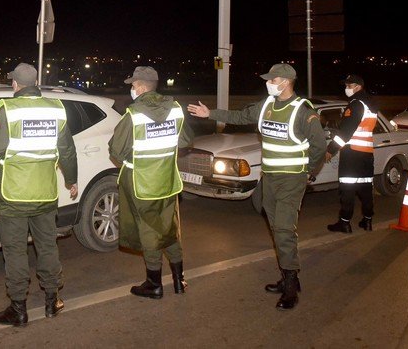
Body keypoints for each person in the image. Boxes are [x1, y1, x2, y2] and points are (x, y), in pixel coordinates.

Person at [187, 63, 326, 310]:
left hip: (291, 179)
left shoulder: (303, 111)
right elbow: (240, 116)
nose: (268, 83)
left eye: (272, 80)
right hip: (269, 178)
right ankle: (287, 275)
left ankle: (291, 284)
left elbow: (319, 146)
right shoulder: (267, 105)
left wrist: (307, 172)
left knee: (283, 228)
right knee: (275, 224)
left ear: (285, 82)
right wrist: (210, 114)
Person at [0, 62, 78, 327]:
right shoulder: (56, 109)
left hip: (14, 194)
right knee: (47, 246)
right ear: (36, 83)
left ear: (15, 84)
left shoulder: (6, 109)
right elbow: (67, 150)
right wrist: (72, 180)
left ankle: (18, 309)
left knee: (15, 251)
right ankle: (51, 301)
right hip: (45, 193)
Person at [109, 66, 193, 299]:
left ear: (142, 87)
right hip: (167, 180)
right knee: (170, 228)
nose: (132, 89)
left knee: (149, 231)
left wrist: (134, 158)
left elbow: (116, 149)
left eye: (133, 85)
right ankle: (179, 280)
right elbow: (186, 140)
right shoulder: (175, 109)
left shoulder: (134, 114)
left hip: (142, 182)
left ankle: (154, 284)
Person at [325, 74, 378, 234]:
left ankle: (344, 223)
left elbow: (345, 133)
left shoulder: (355, 104)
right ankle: (367, 221)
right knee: (366, 189)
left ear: (357, 86)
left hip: (352, 154)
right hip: (367, 154)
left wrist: (331, 149)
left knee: (347, 189)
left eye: (349, 85)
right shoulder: (370, 105)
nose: (346, 88)